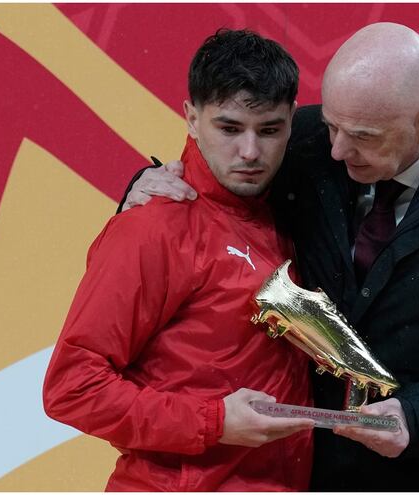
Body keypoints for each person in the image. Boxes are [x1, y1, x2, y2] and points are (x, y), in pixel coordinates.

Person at [122, 23, 419, 491]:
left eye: (364, 136)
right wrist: (146, 186)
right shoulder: (310, 142)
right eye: (331, 125)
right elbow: (220, 178)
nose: (337, 149)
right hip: (319, 475)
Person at [42, 29, 317, 492]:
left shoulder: (294, 207)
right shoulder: (154, 227)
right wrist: (212, 421)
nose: (250, 152)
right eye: (228, 128)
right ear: (191, 118)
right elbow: (72, 388)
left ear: (292, 120)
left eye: (269, 130)